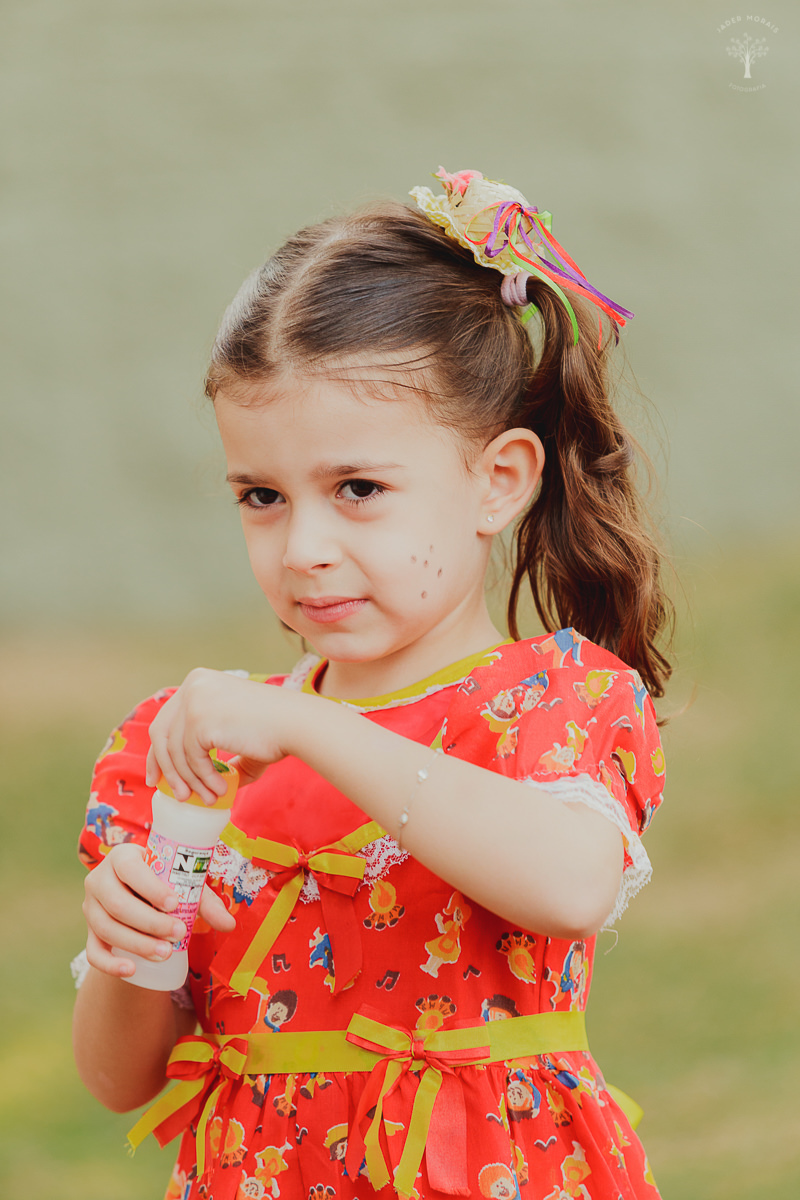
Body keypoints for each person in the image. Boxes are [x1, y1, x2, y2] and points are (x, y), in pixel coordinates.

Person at [73, 167, 672, 1200]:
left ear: (497, 480)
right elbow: (117, 1079)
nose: (302, 546)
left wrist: (306, 726)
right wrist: (128, 949)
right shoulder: (187, 746)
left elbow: (567, 885)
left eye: (358, 490)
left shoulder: (552, 698)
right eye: (260, 496)